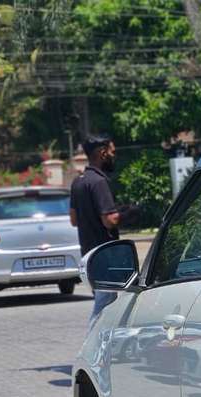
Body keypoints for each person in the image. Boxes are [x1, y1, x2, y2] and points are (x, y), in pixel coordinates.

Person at [70, 134, 120, 319]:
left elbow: (73, 220)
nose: (114, 156)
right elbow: (109, 220)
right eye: (112, 152)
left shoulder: (78, 182)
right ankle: (91, 345)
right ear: (102, 153)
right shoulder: (99, 182)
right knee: (103, 309)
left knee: (106, 307)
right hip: (104, 256)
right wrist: (126, 214)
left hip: (88, 255)